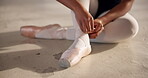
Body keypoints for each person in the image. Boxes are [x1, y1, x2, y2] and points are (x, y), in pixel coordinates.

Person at [20, 0, 139, 68]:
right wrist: (78, 9)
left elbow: (127, 2)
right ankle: (81, 41)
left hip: (111, 10)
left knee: (131, 27)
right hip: (86, 4)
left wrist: (103, 20)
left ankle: (59, 32)